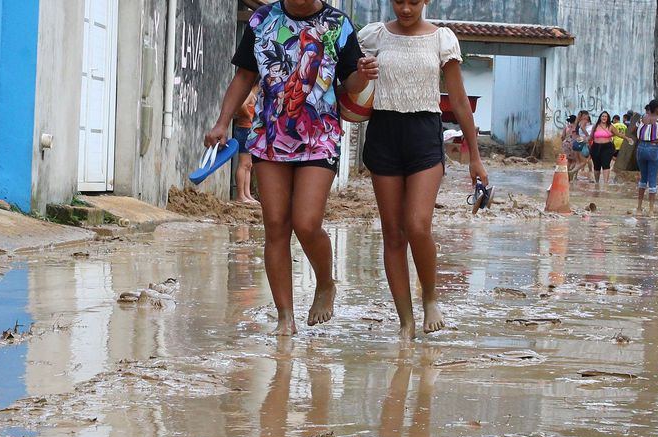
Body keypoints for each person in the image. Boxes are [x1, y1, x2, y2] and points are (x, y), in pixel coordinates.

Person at [207, 0, 373, 336]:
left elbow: (350, 85)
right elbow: (244, 76)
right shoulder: (262, 20)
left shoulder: (338, 24)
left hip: (320, 136)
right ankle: (286, 317)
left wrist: (362, 74)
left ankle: (325, 284)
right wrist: (223, 121)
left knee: (307, 223)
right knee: (276, 225)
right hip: (269, 136)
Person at [357, 0, 487, 339]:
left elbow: (458, 101)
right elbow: (351, 85)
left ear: (426, 1)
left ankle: (430, 297)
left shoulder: (442, 39)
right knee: (393, 234)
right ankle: (405, 321)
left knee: (417, 225)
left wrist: (475, 156)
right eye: (399, 1)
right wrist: (358, 74)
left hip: (424, 134)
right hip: (383, 133)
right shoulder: (373, 37)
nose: (405, 8)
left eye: (413, 1)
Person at [233, 87, 260, 205]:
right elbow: (241, 105)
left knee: (249, 165)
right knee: (243, 164)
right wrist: (250, 117)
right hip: (245, 129)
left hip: (249, 129)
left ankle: (246, 194)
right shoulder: (248, 93)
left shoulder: (253, 94)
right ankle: (240, 195)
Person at [589, 111, 616, 189]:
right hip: (595, 147)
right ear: (600, 117)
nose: (604, 118)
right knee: (596, 166)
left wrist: (627, 138)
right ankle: (597, 184)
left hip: (607, 147)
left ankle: (605, 184)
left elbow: (617, 134)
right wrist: (583, 140)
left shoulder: (610, 126)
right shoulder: (595, 126)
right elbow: (590, 137)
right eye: (603, 116)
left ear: (608, 118)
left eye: (606, 116)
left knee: (606, 164)